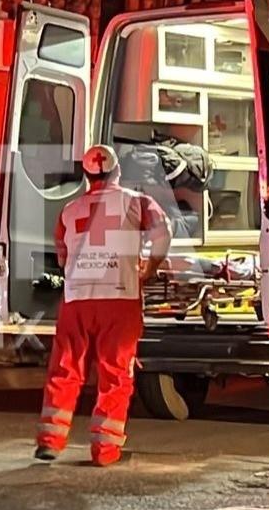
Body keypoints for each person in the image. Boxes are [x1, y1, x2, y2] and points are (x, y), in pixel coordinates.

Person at [34, 144, 170, 466]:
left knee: (65, 368)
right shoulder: (137, 202)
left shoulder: (69, 211)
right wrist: (150, 266)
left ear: (87, 175)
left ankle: (50, 441)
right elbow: (163, 233)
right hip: (119, 298)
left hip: (77, 300)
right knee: (116, 374)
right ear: (117, 171)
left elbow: (63, 256)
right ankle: (105, 451)